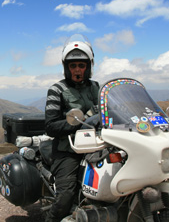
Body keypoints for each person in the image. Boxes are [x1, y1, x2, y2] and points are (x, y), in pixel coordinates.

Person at [44, 34, 99, 221]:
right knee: (65, 196)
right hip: (68, 149)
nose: (77, 69)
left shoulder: (96, 87)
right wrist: (77, 122)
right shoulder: (57, 90)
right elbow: (50, 126)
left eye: (81, 65)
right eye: (73, 65)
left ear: (89, 66)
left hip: (98, 145)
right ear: (66, 68)